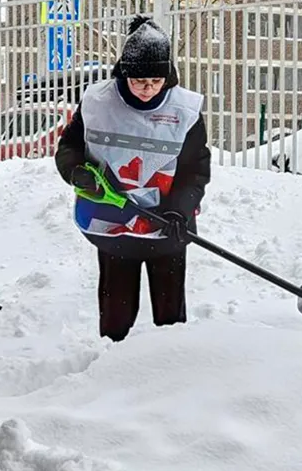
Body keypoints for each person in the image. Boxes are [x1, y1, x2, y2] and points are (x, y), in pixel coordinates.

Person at [54, 17, 211, 342]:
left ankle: (170, 363)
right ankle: (113, 361)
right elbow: (69, 146)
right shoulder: (98, 102)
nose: (147, 89)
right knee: (116, 306)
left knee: (170, 312)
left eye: (156, 80)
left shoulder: (186, 110)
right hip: (112, 221)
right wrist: (77, 172)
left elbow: (195, 169)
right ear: (124, 73)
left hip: (167, 221)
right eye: (139, 81)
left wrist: (180, 210)